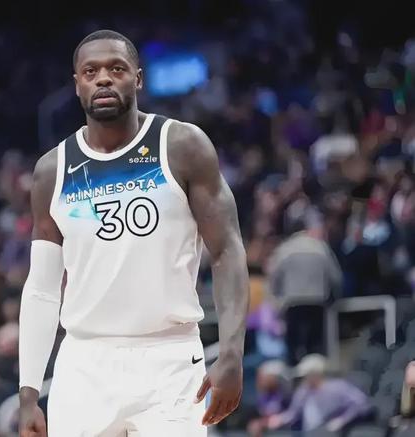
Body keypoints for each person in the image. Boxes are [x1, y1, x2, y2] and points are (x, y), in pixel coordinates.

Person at [18, 30, 249, 436]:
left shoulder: (182, 146)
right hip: (84, 361)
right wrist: (28, 392)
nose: (103, 79)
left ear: (138, 79)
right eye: (91, 72)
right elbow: (42, 288)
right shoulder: (52, 171)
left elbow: (227, 250)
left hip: (170, 354)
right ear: (77, 84)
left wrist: (231, 351)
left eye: (117, 69)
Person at [266, 354, 373, 433]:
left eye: (306, 375)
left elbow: (361, 403)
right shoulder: (303, 391)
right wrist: (279, 419)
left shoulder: (338, 387)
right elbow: (293, 413)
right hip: (309, 433)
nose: (304, 379)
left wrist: (342, 420)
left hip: (332, 433)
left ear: (315, 375)